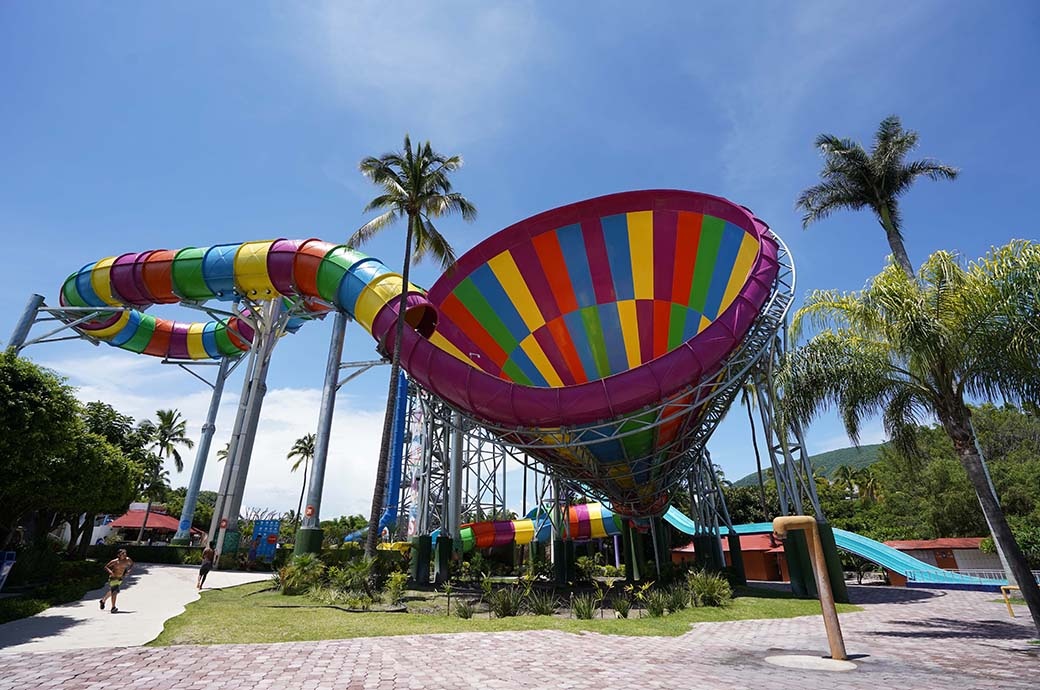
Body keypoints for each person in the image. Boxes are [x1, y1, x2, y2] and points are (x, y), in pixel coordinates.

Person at [100, 548, 134, 613]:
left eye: (125, 553)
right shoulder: (115, 561)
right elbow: (106, 567)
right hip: (113, 578)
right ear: (119, 555)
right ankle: (113, 607)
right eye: (123, 553)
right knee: (114, 592)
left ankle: (103, 600)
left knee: (112, 591)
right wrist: (110, 572)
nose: (125, 554)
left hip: (120, 578)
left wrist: (129, 570)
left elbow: (132, 564)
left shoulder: (127, 559)